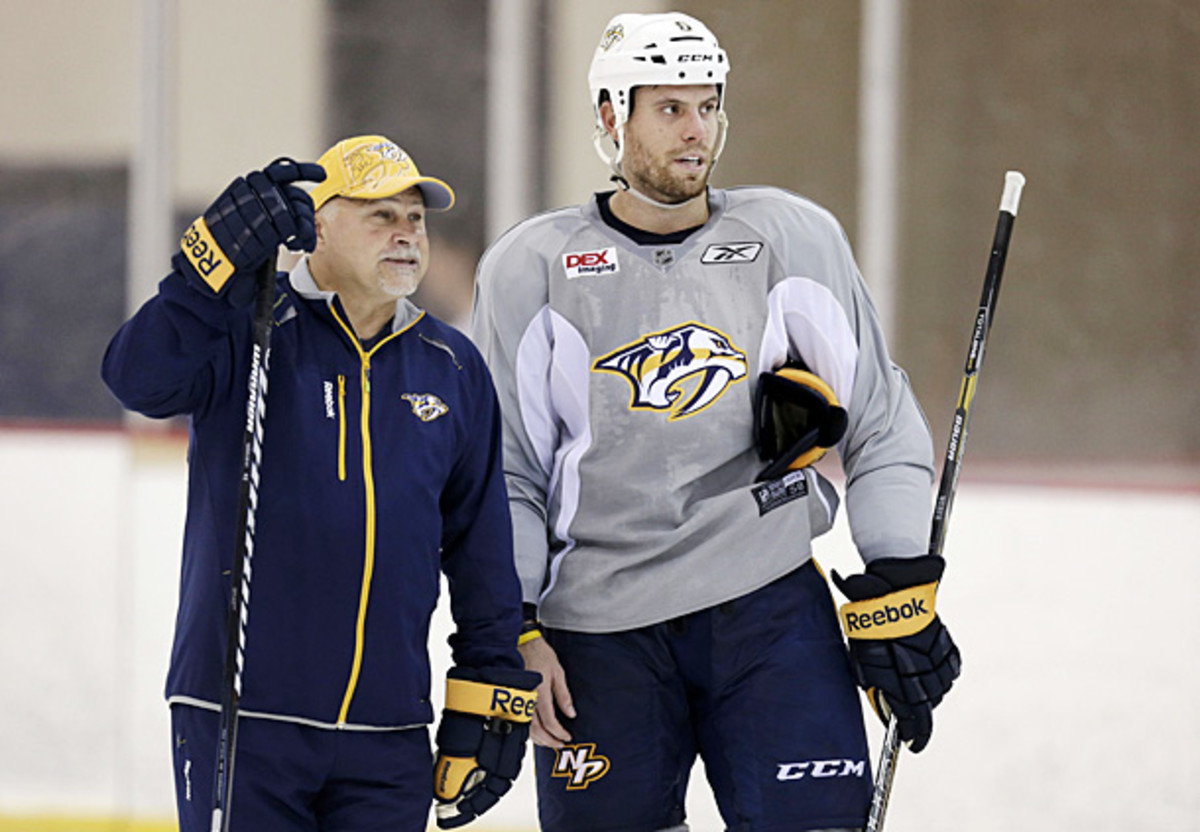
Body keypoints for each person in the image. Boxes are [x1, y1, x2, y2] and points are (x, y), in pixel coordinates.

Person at [470, 13, 960, 832]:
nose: (696, 131)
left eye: (708, 106)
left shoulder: (790, 238)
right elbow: (507, 475)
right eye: (669, 108)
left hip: (766, 610)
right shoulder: (533, 267)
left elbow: (881, 426)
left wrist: (900, 580)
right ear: (608, 116)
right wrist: (513, 630)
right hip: (597, 635)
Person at [102, 135, 538, 831]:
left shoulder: (451, 366)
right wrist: (204, 271)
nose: (405, 235)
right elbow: (137, 380)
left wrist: (492, 682)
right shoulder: (246, 328)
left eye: (414, 219)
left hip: (388, 735)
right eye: (379, 216)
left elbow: (481, 543)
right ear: (317, 227)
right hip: (244, 720)